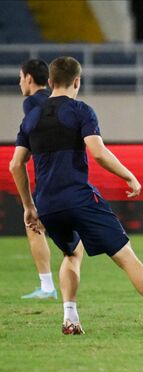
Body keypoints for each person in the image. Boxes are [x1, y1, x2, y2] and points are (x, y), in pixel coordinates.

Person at [9, 56, 143, 336]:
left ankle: (70, 319)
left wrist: (29, 205)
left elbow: (16, 165)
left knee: (71, 253)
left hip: (47, 205)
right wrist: (128, 175)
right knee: (126, 256)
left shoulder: (32, 117)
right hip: (78, 198)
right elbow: (97, 152)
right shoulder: (81, 110)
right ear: (77, 81)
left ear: (50, 83)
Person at [17, 59, 58, 300]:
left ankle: (47, 287)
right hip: (70, 175)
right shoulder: (57, 100)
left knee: (32, 223)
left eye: (21, 77)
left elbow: (38, 131)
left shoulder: (32, 102)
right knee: (73, 242)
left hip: (49, 178)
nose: (20, 82)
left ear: (29, 78)